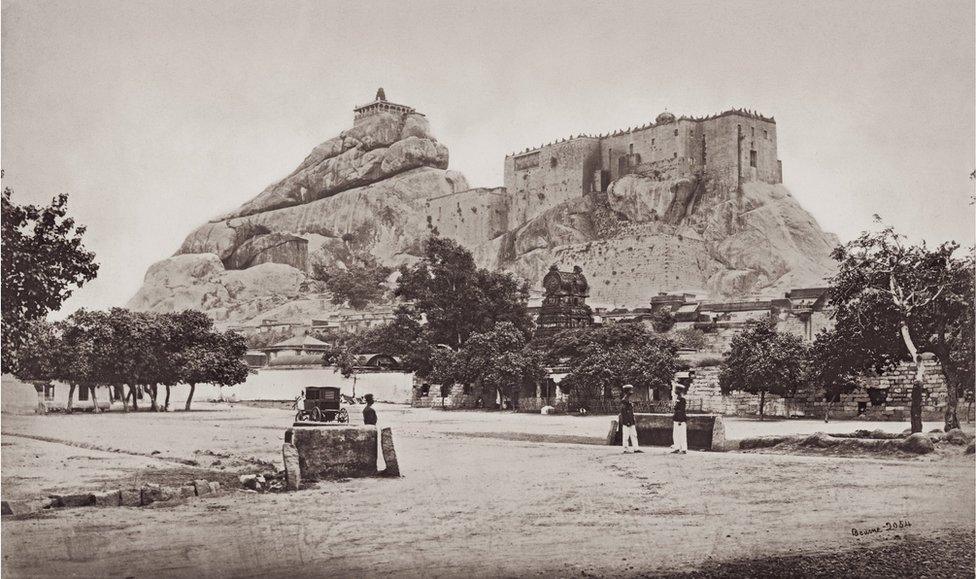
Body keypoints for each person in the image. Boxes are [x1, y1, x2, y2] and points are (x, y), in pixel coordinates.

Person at [619, 384, 642, 454]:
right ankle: (625, 449)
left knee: (634, 435)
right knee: (626, 435)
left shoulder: (627, 399)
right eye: (630, 390)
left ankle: (636, 448)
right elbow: (624, 413)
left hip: (631, 420)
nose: (632, 391)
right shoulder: (625, 400)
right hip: (627, 421)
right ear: (628, 391)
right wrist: (627, 421)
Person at [671, 383, 688, 454]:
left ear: (679, 391)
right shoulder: (678, 399)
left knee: (682, 435)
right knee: (676, 435)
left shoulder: (682, 400)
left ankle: (684, 449)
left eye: (676, 389)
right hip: (676, 419)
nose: (675, 391)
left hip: (680, 420)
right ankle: (677, 448)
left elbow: (681, 410)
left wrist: (680, 420)